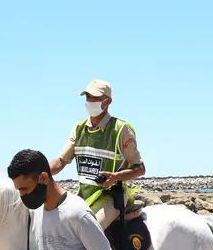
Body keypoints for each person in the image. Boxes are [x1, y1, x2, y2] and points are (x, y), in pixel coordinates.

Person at [50, 79, 147, 231]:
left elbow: (140, 168)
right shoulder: (79, 128)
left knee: (89, 231)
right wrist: (39, 174)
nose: (91, 101)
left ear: (108, 102)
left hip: (112, 196)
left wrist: (114, 177)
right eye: (88, 97)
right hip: (84, 195)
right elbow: (61, 161)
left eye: (96, 98)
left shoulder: (121, 130)